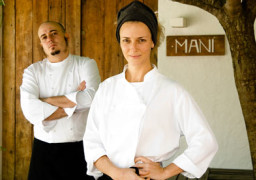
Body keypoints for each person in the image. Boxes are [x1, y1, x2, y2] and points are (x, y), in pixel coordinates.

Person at [83, 1, 218, 179]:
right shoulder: (107, 88)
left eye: (141, 40)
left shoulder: (172, 91)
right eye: (126, 40)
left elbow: (205, 141)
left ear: (153, 42)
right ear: (119, 42)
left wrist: (165, 172)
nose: (133, 48)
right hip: (112, 176)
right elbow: (92, 142)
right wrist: (117, 173)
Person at [20, 21, 100, 180]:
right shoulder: (33, 71)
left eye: (53, 33)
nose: (49, 38)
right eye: (44, 37)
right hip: (44, 151)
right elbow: (30, 111)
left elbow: (92, 97)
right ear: (41, 44)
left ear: (66, 36)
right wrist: (75, 99)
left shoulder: (86, 64)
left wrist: (45, 100)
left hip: (79, 148)